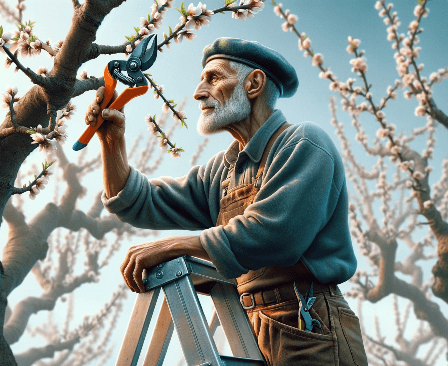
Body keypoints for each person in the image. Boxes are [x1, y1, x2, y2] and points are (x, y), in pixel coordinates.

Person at [90, 37, 368, 366]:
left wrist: (172, 246)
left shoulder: (303, 143)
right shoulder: (224, 170)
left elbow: (275, 235)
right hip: (249, 327)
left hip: (310, 325)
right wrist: (112, 141)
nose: (197, 92)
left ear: (253, 83)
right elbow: (140, 202)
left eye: (213, 77)